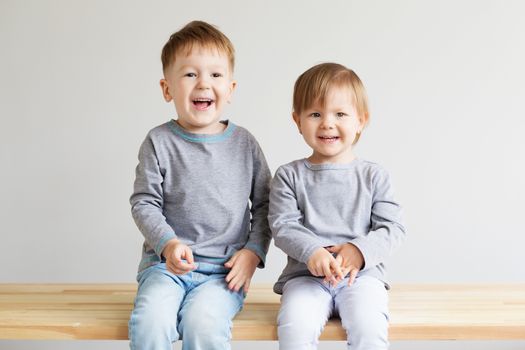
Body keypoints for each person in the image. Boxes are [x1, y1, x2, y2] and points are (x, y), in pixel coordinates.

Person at [128, 20, 272, 350]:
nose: (203, 83)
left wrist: (253, 253)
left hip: (224, 275)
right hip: (165, 269)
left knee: (203, 324)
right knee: (150, 322)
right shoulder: (158, 142)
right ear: (167, 89)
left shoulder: (245, 144)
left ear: (231, 89)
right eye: (190, 74)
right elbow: (144, 202)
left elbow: (266, 206)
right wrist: (167, 243)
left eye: (215, 75)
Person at [269, 62, 406, 350]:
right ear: (297, 121)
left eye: (340, 114)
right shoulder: (289, 175)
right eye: (315, 114)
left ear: (361, 120)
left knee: (369, 328)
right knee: (295, 328)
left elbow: (392, 228)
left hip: (362, 278)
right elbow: (283, 226)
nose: (327, 123)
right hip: (305, 278)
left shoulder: (374, 176)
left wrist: (358, 251)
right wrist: (312, 252)